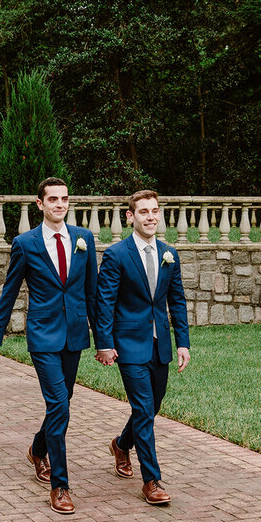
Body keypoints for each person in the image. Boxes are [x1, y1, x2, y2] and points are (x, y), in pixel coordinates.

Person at [0, 177, 98, 514]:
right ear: (40, 204)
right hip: (43, 336)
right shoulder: (25, 243)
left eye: (64, 199)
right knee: (60, 404)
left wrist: (104, 340)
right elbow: (9, 294)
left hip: (74, 334)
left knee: (62, 404)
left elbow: (92, 293)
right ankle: (60, 487)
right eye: (52, 199)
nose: (59, 204)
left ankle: (37, 448)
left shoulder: (84, 239)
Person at [95, 189, 190, 505]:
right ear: (130, 216)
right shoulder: (117, 255)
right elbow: (105, 302)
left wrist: (183, 344)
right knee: (144, 408)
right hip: (129, 344)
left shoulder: (169, 254)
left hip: (159, 343)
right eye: (144, 211)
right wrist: (105, 343)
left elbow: (176, 301)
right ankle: (152, 480)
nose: (151, 216)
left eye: (155, 211)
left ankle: (122, 444)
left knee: (153, 405)